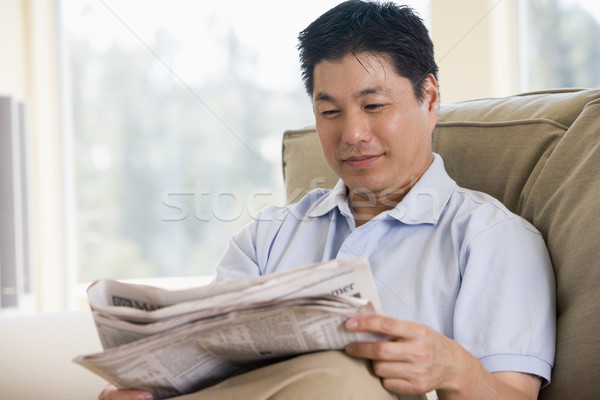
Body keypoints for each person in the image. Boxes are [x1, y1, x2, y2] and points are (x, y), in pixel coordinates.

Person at [100, 1, 555, 399]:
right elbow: (203, 364)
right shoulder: (267, 236)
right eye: (330, 112)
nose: (353, 134)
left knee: (346, 376)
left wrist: (454, 367)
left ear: (429, 98)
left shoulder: (493, 239)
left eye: (374, 106)